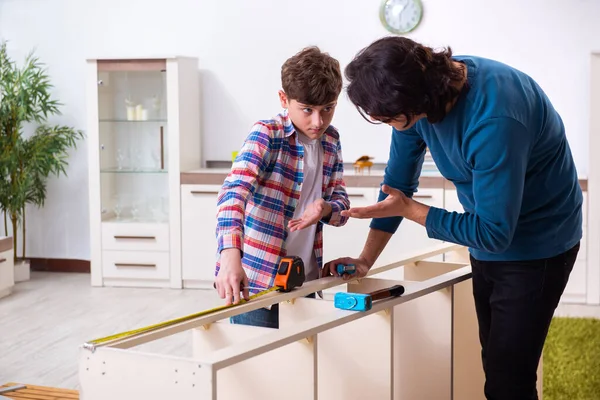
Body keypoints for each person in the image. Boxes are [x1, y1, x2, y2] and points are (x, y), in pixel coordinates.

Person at [325, 36, 582, 400]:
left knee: (508, 380)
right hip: (488, 233)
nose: (389, 126)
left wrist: (412, 211)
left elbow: (493, 233)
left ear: (413, 100)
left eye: (389, 118)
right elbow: (398, 187)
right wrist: (366, 259)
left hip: (539, 244)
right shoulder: (418, 97)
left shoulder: (496, 117)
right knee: (496, 363)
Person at [214, 46, 350, 329]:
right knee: (255, 368)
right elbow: (233, 193)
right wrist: (229, 256)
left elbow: (341, 205)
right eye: (307, 110)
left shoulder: (331, 140)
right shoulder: (267, 134)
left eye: (328, 109)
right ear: (283, 99)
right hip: (258, 282)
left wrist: (326, 209)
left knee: (303, 365)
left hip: (307, 281)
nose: (318, 121)